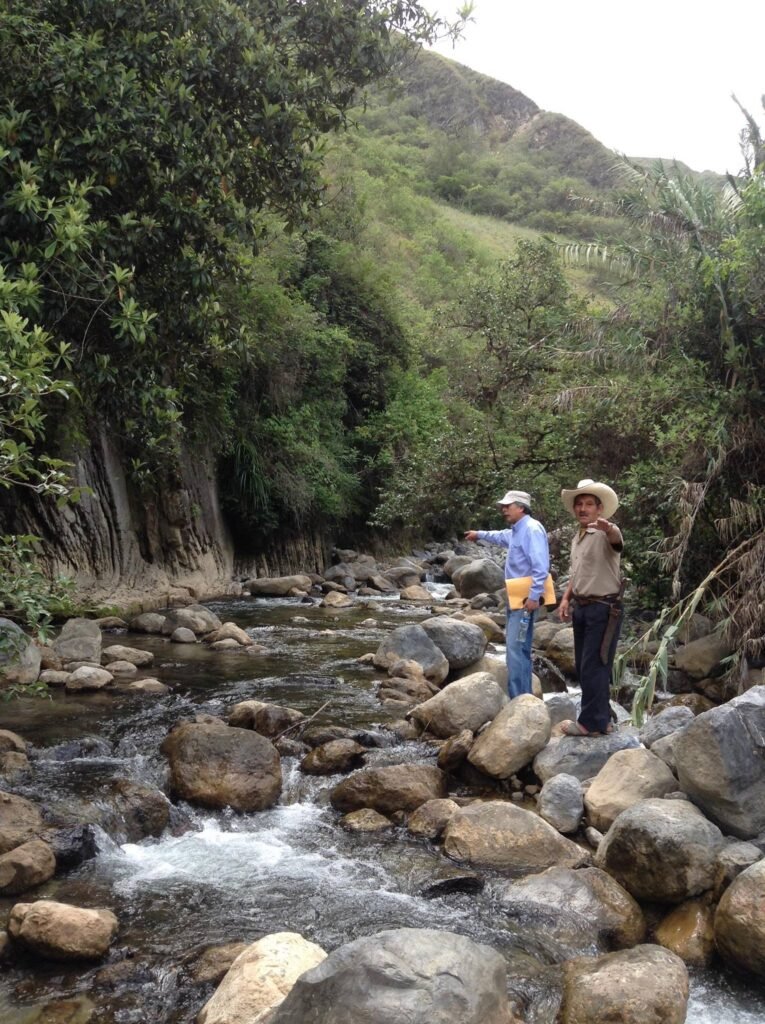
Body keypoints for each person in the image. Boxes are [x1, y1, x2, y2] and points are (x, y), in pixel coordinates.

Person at [464, 489, 550, 698]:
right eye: (503, 506)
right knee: (520, 648)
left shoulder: (531, 529)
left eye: (507, 506)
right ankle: (524, 696)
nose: (503, 509)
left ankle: (518, 698)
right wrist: (479, 534)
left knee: (515, 649)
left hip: (525, 599)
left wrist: (533, 597)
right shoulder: (517, 530)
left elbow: (541, 566)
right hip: (516, 597)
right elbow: (500, 536)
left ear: (521, 507)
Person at [557, 478, 624, 737]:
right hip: (583, 607)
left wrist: (610, 528)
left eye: (588, 504)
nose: (583, 509)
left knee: (594, 665)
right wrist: (566, 599)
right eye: (579, 504)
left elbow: (617, 541)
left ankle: (590, 723)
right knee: (587, 666)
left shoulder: (606, 533)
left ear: (599, 509)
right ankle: (603, 718)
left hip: (603, 608)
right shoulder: (578, 537)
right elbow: (577, 574)